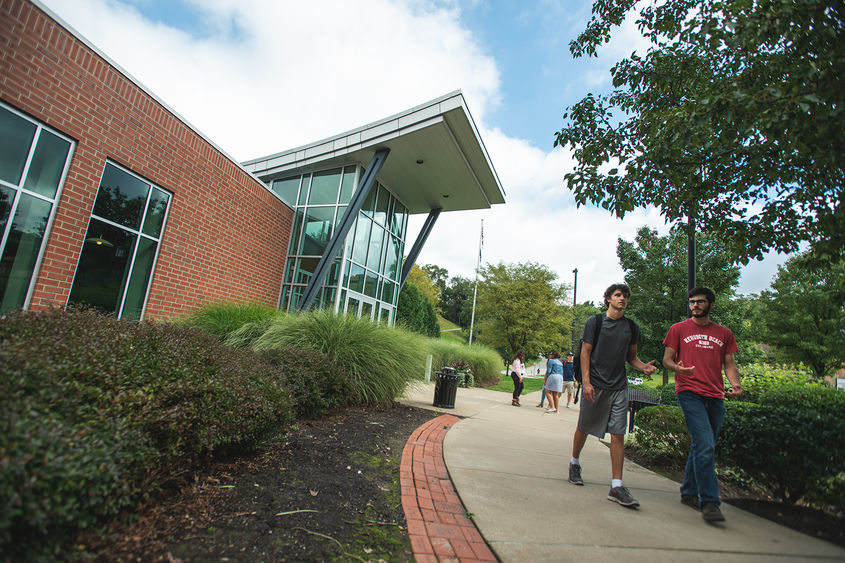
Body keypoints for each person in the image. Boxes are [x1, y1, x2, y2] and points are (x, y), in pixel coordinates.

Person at [568, 283, 657, 509]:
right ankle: (574, 462)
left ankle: (616, 486)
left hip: (619, 387)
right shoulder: (595, 322)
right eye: (618, 295)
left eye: (625, 296)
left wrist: (643, 367)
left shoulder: (631, 327)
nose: (622, 299)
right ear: (608, 298)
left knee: (618, 434)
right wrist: (586, 382)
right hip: (596, 385)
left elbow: (632, 358)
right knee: (584, 427)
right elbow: (585, 353)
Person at [662, 287, 742, 523]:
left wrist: (735, 384)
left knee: (702, 445)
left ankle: (688, 492)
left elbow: (729, 363)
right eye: (692, 302)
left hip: (716, 395)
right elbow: (668, 359)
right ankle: (710, 502)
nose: (695, 305)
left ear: (711, 304)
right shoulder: (678, 329)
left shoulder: (724, 333)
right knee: (705, 444)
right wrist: (678, 369)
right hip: (689, 392)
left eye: (700, 301)